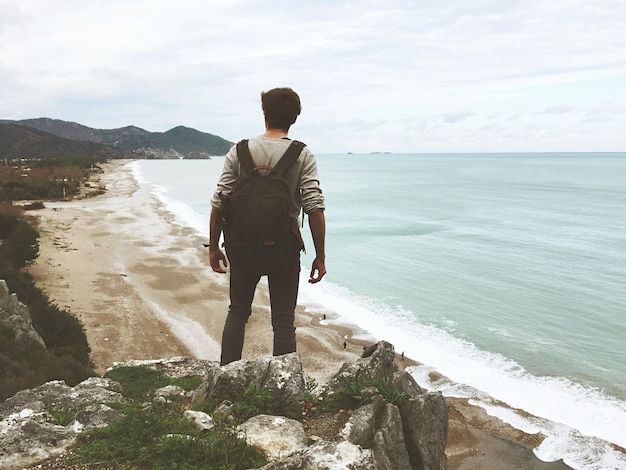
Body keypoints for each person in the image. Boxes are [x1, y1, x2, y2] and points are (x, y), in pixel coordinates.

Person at [208, 87, 326, 366]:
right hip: (283, 250)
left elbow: (219, 200)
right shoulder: (302, 154)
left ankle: (226, 380)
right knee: (284, 322)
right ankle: (283, 389)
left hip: (242, 247)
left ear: (264, 115)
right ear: (294, 119)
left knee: (237, 313)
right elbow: (314, 208)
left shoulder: (240, 151)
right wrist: (319, 255)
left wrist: (213, 247)